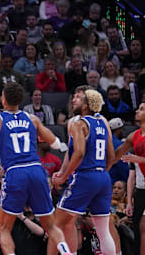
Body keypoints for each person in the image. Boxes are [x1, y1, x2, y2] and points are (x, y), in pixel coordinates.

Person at [0, 82, 71, 255]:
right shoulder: (33, 119)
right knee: (51, 226)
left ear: (3, 98)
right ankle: (66, 251)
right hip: (37, 171)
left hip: (15, 172)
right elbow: (54, 142)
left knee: (4, 228)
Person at [49, 86, 116, 255]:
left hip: (85, 176)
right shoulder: (102, 122)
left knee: (55, 225)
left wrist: (64, 176)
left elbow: (78, 153)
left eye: (78, 98)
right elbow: (111, 155)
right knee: (103, 231)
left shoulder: (79, 123)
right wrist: (101, 173)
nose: (73, 100)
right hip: (103, 177)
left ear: (86, 105)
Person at [111, 102, 145, 255]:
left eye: (142, 109)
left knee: (143, 227)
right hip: (140, 190)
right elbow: (118, 156)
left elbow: (137, 159)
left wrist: (139, 159)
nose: (137, 111)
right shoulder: (134, 136)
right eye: (138, 108)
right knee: (138, 229)